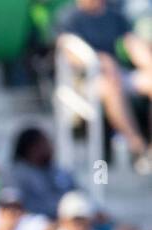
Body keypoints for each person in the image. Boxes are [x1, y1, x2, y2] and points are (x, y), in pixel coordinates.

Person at [55, 0, 152, 168]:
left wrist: (148, 64)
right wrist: (100, 61)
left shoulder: (113, 15)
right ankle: (137, 146)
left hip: (117, 73)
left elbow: (133, 44)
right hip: (85, 79)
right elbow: (68, 50)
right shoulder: (69, 17)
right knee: (110, 87)